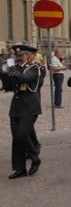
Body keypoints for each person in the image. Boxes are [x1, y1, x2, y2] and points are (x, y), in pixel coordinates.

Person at [0, 45, 42, 179]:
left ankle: (35, 157)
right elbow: (8, 87)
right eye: (17, 56)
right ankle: (20, 168)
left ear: (27, 55)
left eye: (21, 55)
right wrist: (4, 72)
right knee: (16, 137)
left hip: (30, 106)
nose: (18, 58)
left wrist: (12, 70)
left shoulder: (34, 67)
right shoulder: (14, 69)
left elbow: (25, 78)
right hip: (16, 106)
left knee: (21, 135)